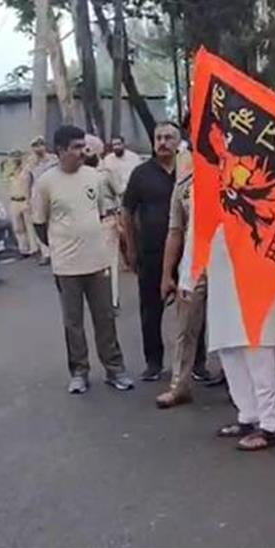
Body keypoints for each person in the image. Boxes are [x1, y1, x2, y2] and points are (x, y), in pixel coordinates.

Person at [32, 125, 134, 394]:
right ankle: (79, 372)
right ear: (60, 150)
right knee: (73, 322)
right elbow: (40, 224)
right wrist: (58, 245)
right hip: (66, 266)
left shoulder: (94, 177)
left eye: (83, 146)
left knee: (105, 318)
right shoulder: (45, 183)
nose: (82, 152)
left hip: (97, 261)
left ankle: (115, 369)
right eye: (76, 147)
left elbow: (100, 213)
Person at [210, 227, 275, 451]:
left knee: (257, 348)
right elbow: (196, 233)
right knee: (228, 348)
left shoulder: (261, 190)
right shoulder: (201, 193)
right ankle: (248, 414)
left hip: (255, 273)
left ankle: (270, 425)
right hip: (219, 275)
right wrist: (187, 276)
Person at [122, 122, 180, 381]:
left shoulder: (189, 171)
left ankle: (196, 363)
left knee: (192, 311)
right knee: (151, 310)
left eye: (168, 137)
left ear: (178, 141)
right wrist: (131, 249)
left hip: (187, 252)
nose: (163, 142)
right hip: (151, 252)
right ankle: (154, 362)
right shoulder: (141, 174)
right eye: (159, 137)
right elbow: (127, 211)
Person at [154, 171, 215, 408]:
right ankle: (179, 386)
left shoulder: (236, 175)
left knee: (231, 330)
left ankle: (239, 388)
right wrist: (167, 274)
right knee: (185, 328)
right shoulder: (185, 186)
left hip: (228, 265)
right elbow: (175, 231)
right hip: (193, 265)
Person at [84, 134, 122, 310]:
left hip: (104, 219)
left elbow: (119, 193)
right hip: (96, 221)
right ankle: (106, 299)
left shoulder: (101, 173)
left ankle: (109, 299)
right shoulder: (88, 174)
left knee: (106, 261)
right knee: (102, 261)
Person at [28, 136, 57, 266]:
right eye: (35, 146)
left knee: (54, 222)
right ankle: (46, 253)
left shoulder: (53, 160)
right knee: (39, 223)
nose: (38, 148)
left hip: (52, 193)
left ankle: (56, 251)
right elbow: (28, 181)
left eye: (40, 145)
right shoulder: (30, 163)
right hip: (37, 195)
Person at [3, 150, 39, 258]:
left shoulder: (26, 171)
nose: (15, 160)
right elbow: (5, 181)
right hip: (14, 201)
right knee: (18, 228)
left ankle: (34, 249)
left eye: (17, 157)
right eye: (13, 158)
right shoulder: (10, 172)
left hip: (25, 200)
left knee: (30, 226)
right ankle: (23, 249)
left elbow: (32, 158)